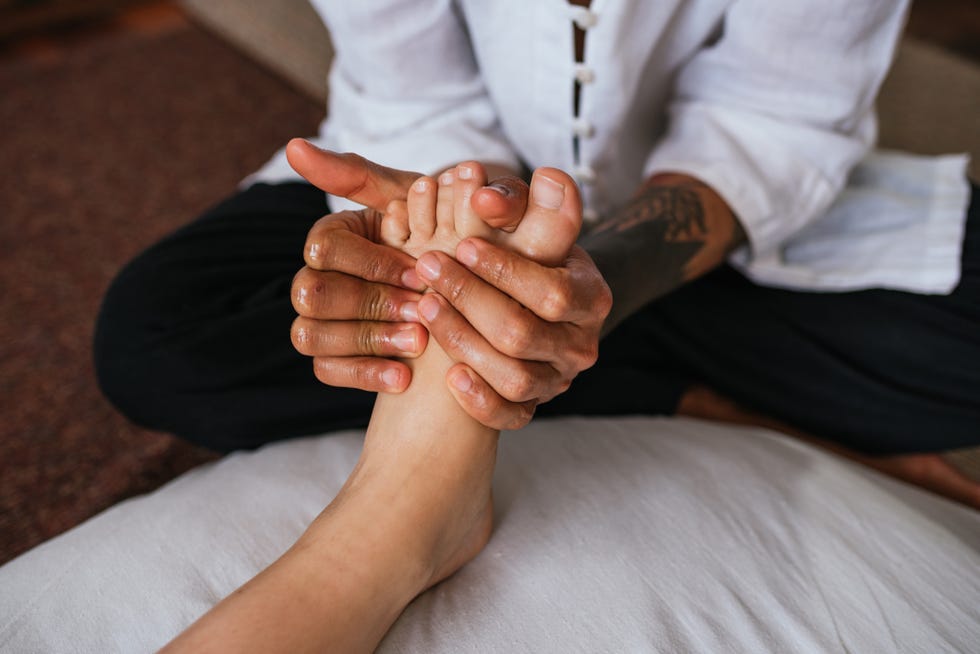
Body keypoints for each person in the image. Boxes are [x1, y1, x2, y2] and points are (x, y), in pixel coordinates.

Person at [95, 0, 980, 513]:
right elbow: (417, 91)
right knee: (160, 337)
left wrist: (586, 280)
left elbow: (777, 114)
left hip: (721, 223)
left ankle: (573, 352)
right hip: (446, 174)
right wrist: (462, 246)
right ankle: (700, 395)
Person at [162, 163, 583, 652]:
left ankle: (400, 509)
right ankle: (510, 324)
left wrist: (567, 283)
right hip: (463, 172)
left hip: (655, 262)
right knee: (148, 337)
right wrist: (442, 191)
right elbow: (409, 103)